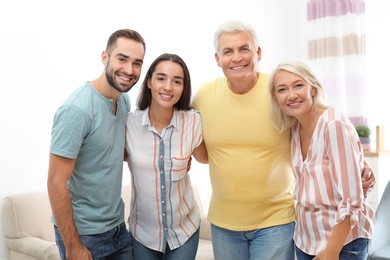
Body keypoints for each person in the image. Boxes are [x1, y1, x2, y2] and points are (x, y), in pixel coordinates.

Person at [191, 19, 376, 260]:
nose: (237, 58)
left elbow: (329, 135)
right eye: (228, 51)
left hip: (277, 223)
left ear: (258, 52)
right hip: (227, 224)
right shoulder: (205, 96)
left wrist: (358, 169)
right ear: (217, 59)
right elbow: (201, 150)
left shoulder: (277, 88)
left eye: (244, 48)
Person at [47, 29, 146, 260]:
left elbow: (115, 150)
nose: (129, 70)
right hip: (84, 235)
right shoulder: (77, 110)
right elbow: (55, 181)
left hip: (117, 229)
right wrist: (73, 246)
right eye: (122, 59)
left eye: (137, 63)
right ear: (105, 57)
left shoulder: (122, 99)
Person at [268, 60, 374, 259]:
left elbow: (352, 200)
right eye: (282, 89)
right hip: (305, 239)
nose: (291, 95)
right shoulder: (295, 127)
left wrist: (332, 251)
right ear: (276, 97)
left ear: (313, 88)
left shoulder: (333, 124)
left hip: (341, 242)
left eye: (298, 85)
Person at [125, 53, 208, 260]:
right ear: (149, 82)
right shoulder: (129, 125)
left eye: (177, 81)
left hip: (184, 231)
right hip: (143, 233)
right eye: (161, 78)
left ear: (184, 87)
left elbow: (205, 157)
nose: (168, 87)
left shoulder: (193, 122)